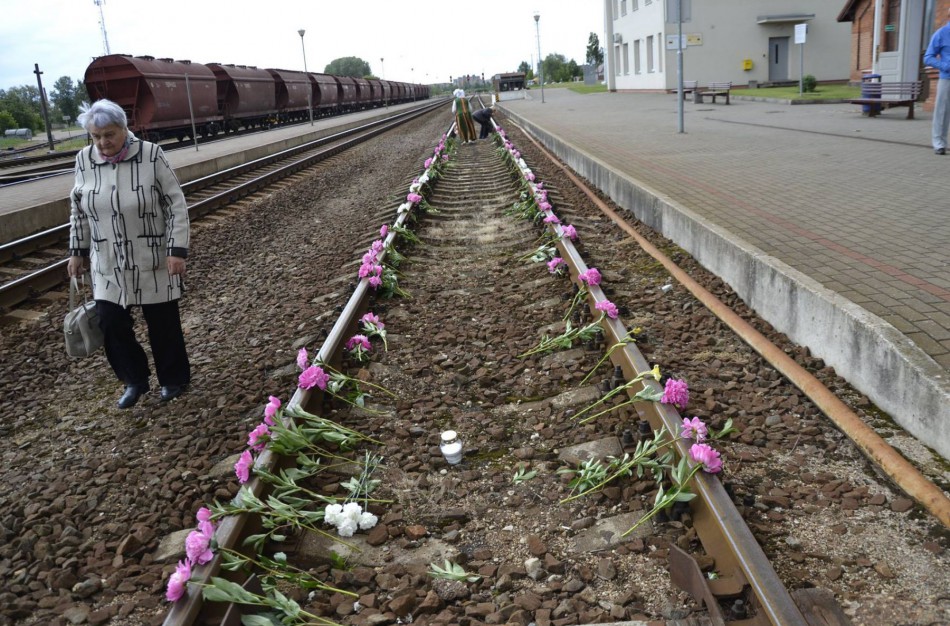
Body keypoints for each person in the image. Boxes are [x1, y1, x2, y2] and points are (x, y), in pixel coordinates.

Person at [67, 99, 192, 408]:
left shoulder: (151, 155)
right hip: (107, 260)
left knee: (162, 322)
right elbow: (78, 210)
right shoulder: (84, 160)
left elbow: (175, 204)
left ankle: (173, 378)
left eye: (109, 134)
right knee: (111, 323)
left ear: (124, 129)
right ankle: (134, 380)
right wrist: (77, 251)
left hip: (151, 255)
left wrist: (177, 250)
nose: (102, 143)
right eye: (95, 136)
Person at [925, 7, 950, 155]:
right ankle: (939, 143)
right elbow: (928, 57)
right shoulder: (941, 34)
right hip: (947, 79)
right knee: (942, 112)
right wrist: (945, 66)